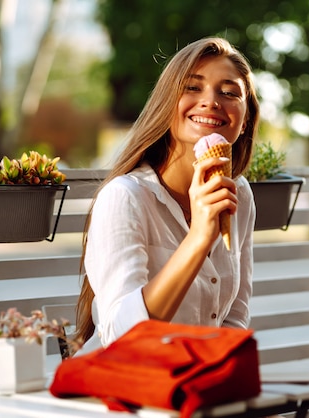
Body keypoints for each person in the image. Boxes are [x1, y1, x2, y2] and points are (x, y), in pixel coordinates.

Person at [73, 37, 260, 354]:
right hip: (127, 386)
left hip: (198, 384)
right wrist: (199, 238)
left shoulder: (239, 192)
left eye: (229, 93)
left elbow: (235, 315)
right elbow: (121, 335)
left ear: (244, 122)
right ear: (166, 104)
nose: (211, 101)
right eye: (192, 87)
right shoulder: (125, 197)